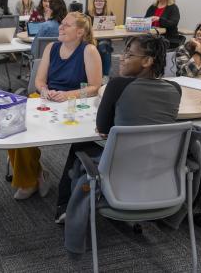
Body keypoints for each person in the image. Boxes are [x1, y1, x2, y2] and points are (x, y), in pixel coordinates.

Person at [55, 34, 182, 223]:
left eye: (129, 55)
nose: (121, 58)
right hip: (157, 163)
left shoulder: (117, 85)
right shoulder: (175, 88)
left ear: (147, 61)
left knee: (79, 145)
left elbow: (103, 127)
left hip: (121, 163)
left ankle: (65, 207)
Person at [8, 12, 102, 199]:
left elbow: (94, 87)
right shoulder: (51, 47)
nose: (61, 27)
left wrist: (67, 95)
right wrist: (44, 91)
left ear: (80, 32)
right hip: (46, 99)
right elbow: (40, 81)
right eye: (62, 24)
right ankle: (35, 177)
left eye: (67, 25)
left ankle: (32, 179)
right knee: (15, 126)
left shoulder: (89, 50)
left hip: (73, 103)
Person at [88, 0, 114, 76]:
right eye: (96, 1)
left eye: (101, 1)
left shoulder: (109, 13)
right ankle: (96, 75)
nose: (98, 2)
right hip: (92, 38)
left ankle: (105, 76)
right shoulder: (88, 13)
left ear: (104, 3)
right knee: (103, 48)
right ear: (94, 3)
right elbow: (85, 27)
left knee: (103, 46)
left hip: (104, 38)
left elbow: (112, 26)